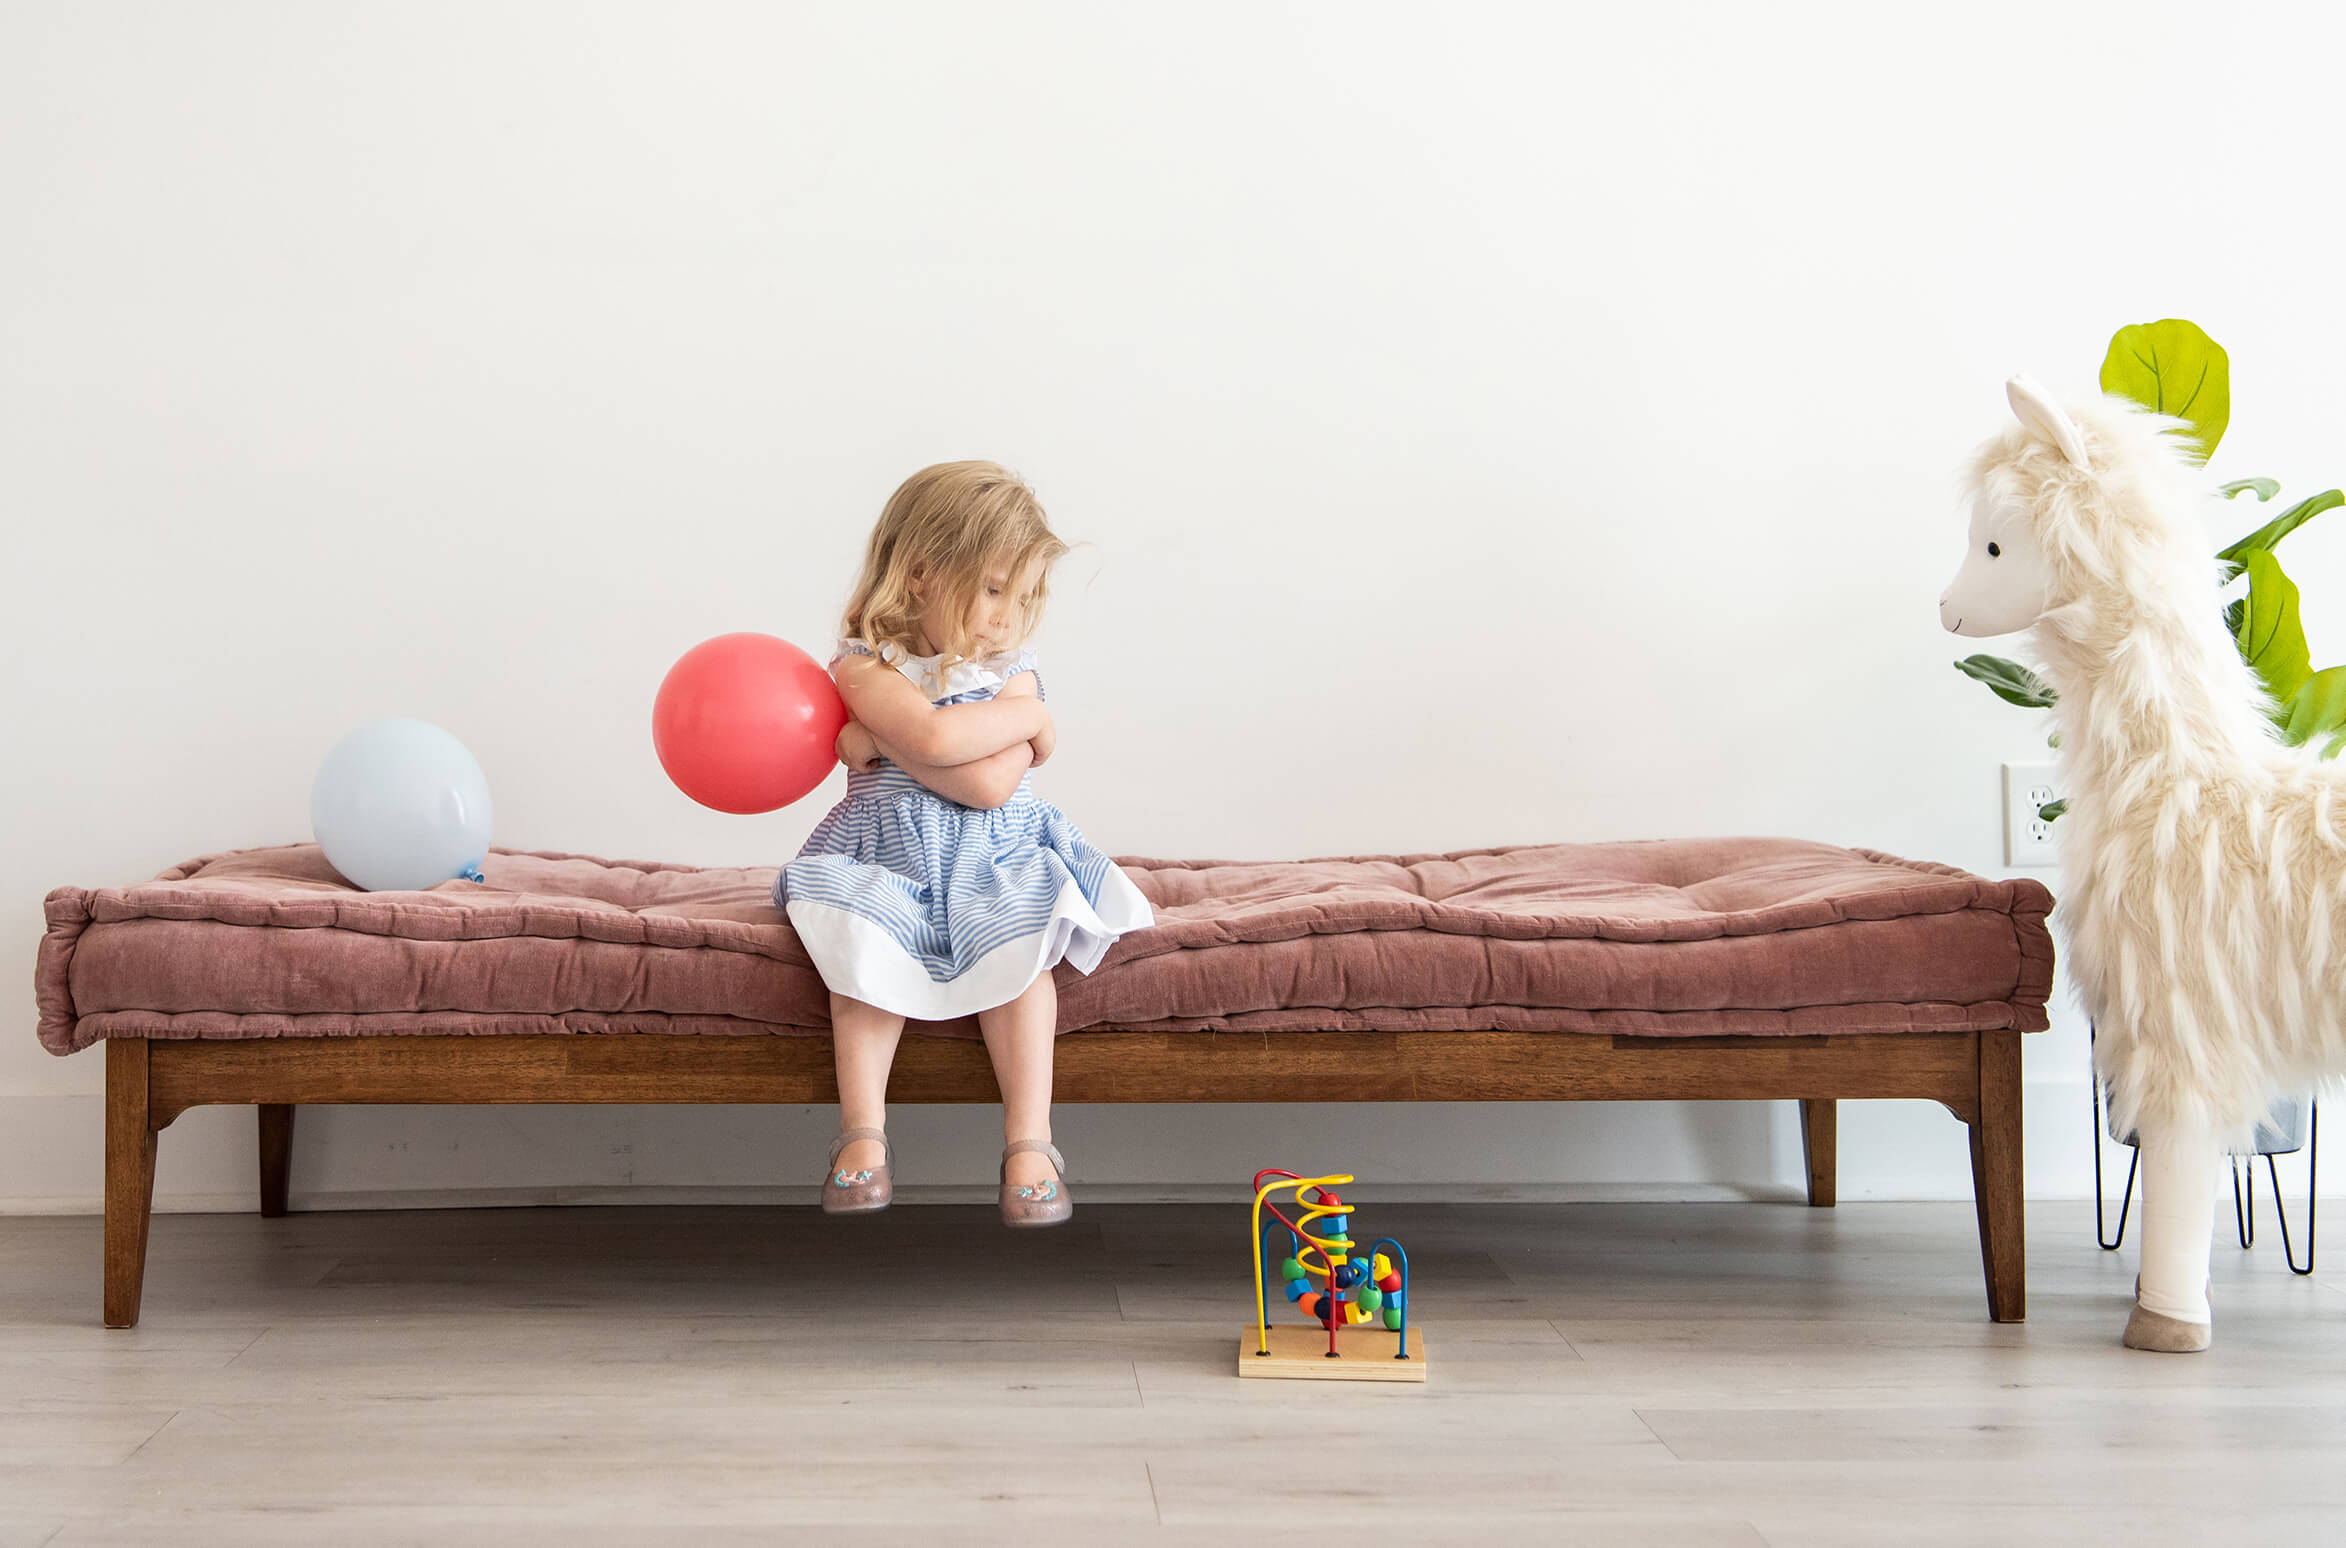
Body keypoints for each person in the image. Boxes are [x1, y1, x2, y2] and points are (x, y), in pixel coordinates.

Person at [776, 460, 1154, 1227]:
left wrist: (881, 740)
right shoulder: (862, 664)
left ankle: (1029, 1146)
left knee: (1022, 964)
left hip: (994, 857)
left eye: (1021, 598)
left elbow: (986, 789)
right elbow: (943, 737)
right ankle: (863, 1137)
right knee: (860, 962)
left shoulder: (1013, 670)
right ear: (919, 574)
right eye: (991, 589)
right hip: (890, 857)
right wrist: (1030, 724)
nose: (1006, 618)